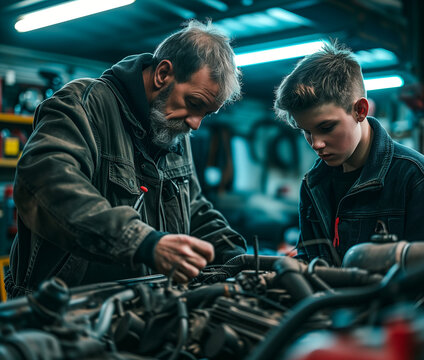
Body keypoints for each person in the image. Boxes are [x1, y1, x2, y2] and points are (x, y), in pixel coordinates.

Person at [6, 20, 247, 298]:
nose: (195, 124)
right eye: (194, 104)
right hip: (61, 310)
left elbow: (193, 208)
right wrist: (142, 243)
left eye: (206, 113)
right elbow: (46, 186)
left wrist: (238, 258)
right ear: (163, 74)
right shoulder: (82, 105)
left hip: (142, 308)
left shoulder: (173, 129)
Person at [273, 42, 424, 266]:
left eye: (326, 128)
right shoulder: (314, 184)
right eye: (306, 131)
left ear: (360, 110)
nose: (316, 144)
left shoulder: (419, 181)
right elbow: (309, 262)